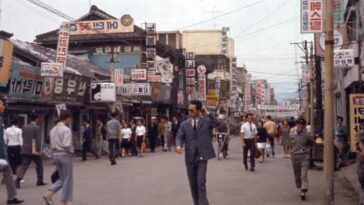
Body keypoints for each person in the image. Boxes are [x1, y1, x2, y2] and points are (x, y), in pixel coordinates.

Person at [176, 100, 220, 205]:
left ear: (199, 111)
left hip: (202, 157)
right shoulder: (184, 124)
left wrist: (207, 113)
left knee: (201, 183)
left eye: (192, 110)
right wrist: (178, 146)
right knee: (193, 185)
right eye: (188, 110)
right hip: (190, 158)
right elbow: (179, 136)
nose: (189, 112)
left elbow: (217, 123)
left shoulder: (206, 122)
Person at [43, 110, 74, 205]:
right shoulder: (66, 130)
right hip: (64, 155)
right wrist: (72, 151)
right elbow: (66, 144)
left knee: (61, 178)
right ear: (67, 118)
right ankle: (64, 201)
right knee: (68, 179)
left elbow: (51, 144)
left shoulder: (52, 130)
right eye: (70, 118)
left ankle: (49, 193)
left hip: (55, 155)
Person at [0, 98, 24, 204]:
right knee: (11, 169)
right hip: (9, 149)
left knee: (8, 171)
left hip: (6, 149)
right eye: (1, 104)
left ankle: (11, 197)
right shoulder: (18, 130)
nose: (3, 106)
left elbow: (3, 139)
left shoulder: (2, 121)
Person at [16, 112, 46, 188]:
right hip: (34, 149)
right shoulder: (37, 128)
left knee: (24, 165)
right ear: (36, 119)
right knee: (39, 165)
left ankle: (18, 179)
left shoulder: (24, 127)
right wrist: (38, 150)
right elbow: (38, 140)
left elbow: (23, 137)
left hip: (25, 148)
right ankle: (40, 180)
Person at [289, 117, 314, 201]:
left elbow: (312, 142)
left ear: (304, 126)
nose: (299, 126)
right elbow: (289, 142)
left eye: (301, 125)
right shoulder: (292, 133)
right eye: (298, 124)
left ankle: (303, 190)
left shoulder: (307, 134)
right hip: (295, 156)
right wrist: (290, 151)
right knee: (297, 175)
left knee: (304, 174)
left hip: (304, 156)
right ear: (296, 125)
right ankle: (300, 186)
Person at [356, 119, 364, 205]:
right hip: (361, 157)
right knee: (361, 177)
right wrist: (362, 150)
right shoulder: (359, 133)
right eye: (362, 124)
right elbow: (358, 143)